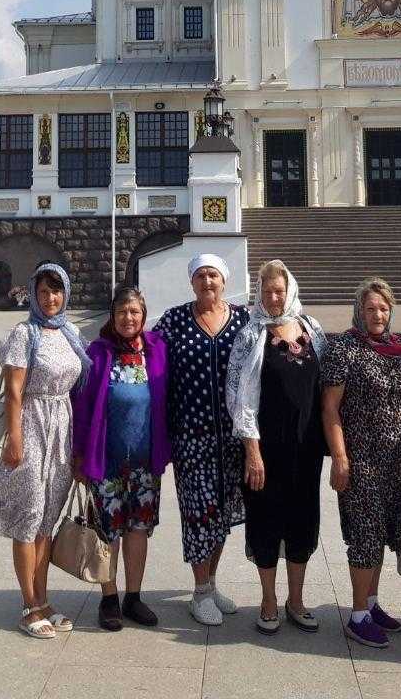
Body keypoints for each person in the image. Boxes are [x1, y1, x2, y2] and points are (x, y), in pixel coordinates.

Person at [0, 264, 89, 639]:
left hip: (61, 427)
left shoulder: (71, 332)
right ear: (33, 294)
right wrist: (14, 439)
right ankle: (29, 606)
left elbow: (78, 389)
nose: (52, 298)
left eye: (58, 291)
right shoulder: (23, 334)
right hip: (32, 424)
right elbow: (15, 392)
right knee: (28, 515)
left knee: (47, 518)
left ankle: (43, 600)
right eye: (45, 291)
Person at [225, 259, 328, 634]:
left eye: (279, 290)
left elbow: (328, 386)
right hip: (265, 449)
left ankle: (295, 600)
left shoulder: (311, 328)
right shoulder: (250, 334)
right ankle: (268, 599)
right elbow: (238, 396)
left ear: (290, 290)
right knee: (266, 520)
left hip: (307, 447)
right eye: (267, 290)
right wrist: (252, 450)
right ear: (258, 292)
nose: (273, 297)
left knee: (303, 519)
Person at [321, 277, 401, 649]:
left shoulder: (399, 350)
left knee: (383, 533)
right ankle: (358, 614)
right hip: (362, 460)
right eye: (370, 308)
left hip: (397, 461)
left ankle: (373, 602)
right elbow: (329, 407)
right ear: (358, 312)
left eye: (383, 308)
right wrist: (340, 457)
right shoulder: (344, 349)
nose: (377, 314)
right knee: (364, 534)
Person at [154, 253, 251, 626]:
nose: (207, 282)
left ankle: (210, 583)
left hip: (231, 437)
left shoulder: (243, 319)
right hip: (190, 436)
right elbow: (146, 355)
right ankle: (199, 592)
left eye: (213, 276)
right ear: (191, 282)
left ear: (224, 281)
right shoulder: (176, 320)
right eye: (200, 276)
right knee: (199, 512)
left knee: (222, 515)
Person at [71, 284, 171, 631]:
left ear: (143, 316)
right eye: (122, 312)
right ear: (112, 317)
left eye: (134, 312)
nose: (128, 318)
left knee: (139, 529)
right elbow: (82, 407)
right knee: (109, 530)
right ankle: (109, 597)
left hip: (144, 462)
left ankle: (134, 596)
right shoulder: (98, 353)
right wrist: (79, 456)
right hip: (106, 461)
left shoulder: (156, 350)